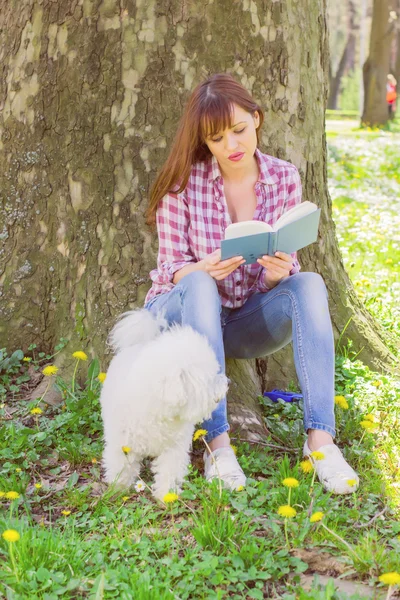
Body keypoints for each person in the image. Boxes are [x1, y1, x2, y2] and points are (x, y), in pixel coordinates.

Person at [143, 73, 359, 494]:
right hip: (178, 317)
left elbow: (279, 260)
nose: (232, 146)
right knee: (202, 286)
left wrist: (277, 272)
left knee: (309, 282)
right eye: (217, 139)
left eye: (240, 131)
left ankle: (321, 442)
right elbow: (167, 268)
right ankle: (216, 444)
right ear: (205, 142)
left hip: (239, 323)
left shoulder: (283, 177)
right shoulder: (182, 185)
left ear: (257, 119)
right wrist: (201, 269)